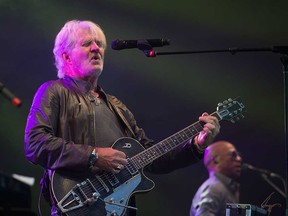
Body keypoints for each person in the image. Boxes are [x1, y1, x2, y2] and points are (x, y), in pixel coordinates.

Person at [24, 20, 220, 216]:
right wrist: (93, 156)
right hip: (77, 204)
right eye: (86, 44)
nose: (96, 49)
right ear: (66, 56)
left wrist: (196, 145)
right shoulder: (54, 91)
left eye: (99, 44)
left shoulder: (117, 106)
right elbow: (35, 143)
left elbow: (151, 157)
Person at [190, 140, 242, 216]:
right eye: (233, 155)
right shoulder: (213, 188)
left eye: (239, 155)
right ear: (216, 161)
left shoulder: (223, 187)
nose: (239, 159)